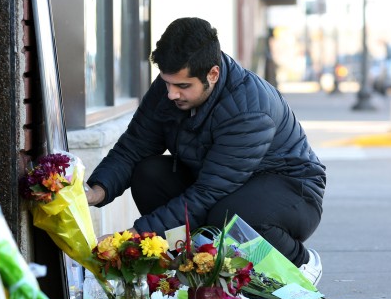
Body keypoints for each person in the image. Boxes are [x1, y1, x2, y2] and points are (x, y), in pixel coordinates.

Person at [84, 17, 326, 284]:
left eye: (183, 86)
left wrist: (133, 237)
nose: (172, 94)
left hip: (292, 191)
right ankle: (191, 265)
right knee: (148, 173)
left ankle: (299, 263)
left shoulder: (249, 109)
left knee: (229, 216)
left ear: (212, 74)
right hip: (220, 185)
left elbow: (208, 193)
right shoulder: (171, 89)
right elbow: (134, 147)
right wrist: (95, 192)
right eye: (167, 83)